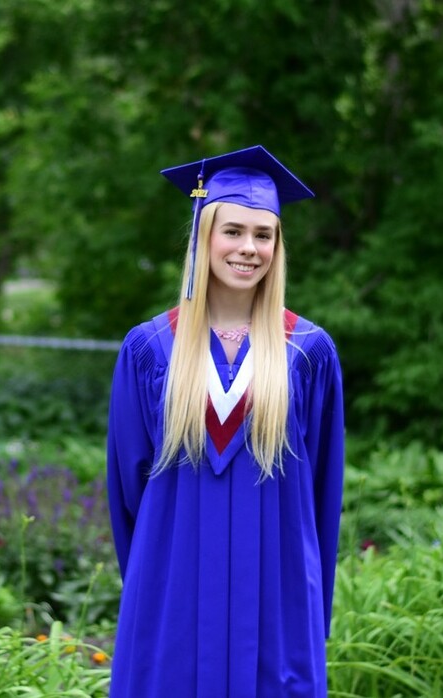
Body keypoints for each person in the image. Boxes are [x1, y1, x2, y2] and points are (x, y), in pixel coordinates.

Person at [106, 145, 345, 698]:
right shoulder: (150, 350)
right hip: (174, 591)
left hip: (276, 593)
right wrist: (151, 586)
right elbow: (126, 492)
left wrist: (309, 606)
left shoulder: (308, 352)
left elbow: (322, 494)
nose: (248, 248)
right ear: (203, 234)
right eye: (233, 230)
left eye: (264, 235)